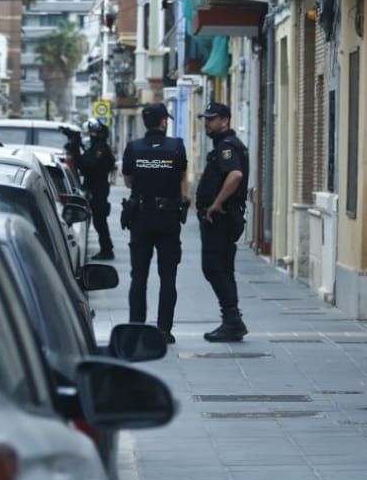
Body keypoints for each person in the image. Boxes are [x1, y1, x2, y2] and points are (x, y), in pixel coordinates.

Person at [121, 102, 188, 343]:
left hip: (140, 217)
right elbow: (181, 178)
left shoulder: (133, 148)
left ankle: (137, 328)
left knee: (138, 276)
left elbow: (128, 181)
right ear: (163, 122)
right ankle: (164, 330)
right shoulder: (176, 147)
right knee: (167, 277)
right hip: (168, 219)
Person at [196, 102, 249, 342]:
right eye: (206, 118)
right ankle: (232, 320)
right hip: (225, 217)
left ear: (225, 120)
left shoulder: (227, 146)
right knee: (223, 268)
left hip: (221, 217)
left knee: (213, 267)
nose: (207, 123)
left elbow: (235, 175)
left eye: (212, 118)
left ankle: (232, 320)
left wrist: (217, 203)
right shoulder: (224, 145)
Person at [76, 119, 118, 260]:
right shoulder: (96, 148)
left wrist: (76, 150)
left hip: (98, 189)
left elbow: (87, 165)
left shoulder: (100, 149)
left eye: (92, 132)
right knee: (99, 221)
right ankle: (107, 248)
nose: (90, 135)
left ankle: (107, 250)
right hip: (95, 187)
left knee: (100, 220)